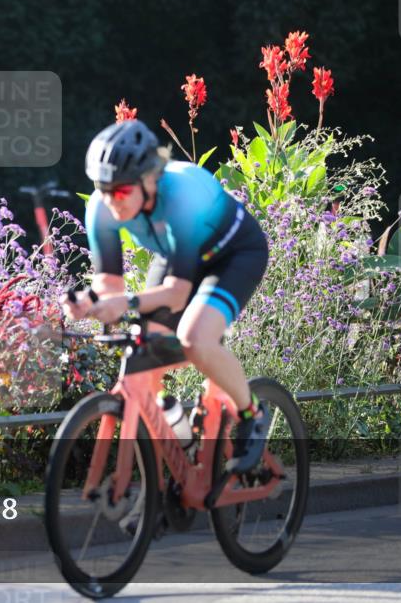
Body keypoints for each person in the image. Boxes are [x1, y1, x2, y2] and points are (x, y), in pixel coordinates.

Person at [61, 119, 271, 472]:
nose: (112, 202)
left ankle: (252, 414)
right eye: (103, 188)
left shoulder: (182, 197)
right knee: (146, 355)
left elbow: (176, 295)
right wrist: (88, 301)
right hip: (176, 257)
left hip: (234, 254)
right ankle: (182, 450)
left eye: (122, 191)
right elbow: (108, 284)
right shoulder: (101, 207)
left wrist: (125, 302)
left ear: (149, 179)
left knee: (194, 338)